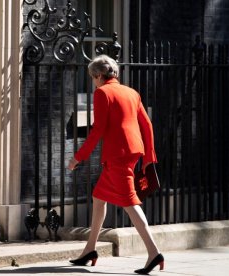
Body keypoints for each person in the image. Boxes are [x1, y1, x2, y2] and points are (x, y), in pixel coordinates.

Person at [67, 55, 164, 274]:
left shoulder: (102, 93)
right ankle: (90, 249)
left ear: (99, 75)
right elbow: (147, 125)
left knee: (130, 203)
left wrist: (78, 157)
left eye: (93, 78)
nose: (94, 82)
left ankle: (154, 253)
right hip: (132, 151)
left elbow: (98, 130)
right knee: (98, 197)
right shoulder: (131, 92)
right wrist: (149, 156)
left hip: (118, 155)